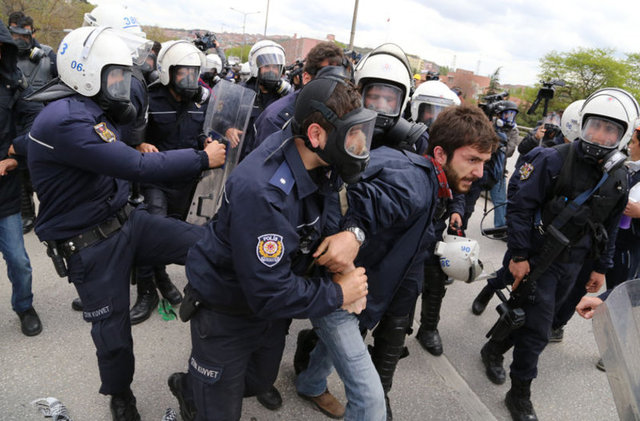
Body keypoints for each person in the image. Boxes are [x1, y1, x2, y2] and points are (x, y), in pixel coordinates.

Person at [21, 26, 226, 421]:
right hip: (91, 247)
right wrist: (203, 158)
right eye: (113, 75)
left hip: (128, 222)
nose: (120, 85)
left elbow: (113, 154)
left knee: (206, 245)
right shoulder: (65, 119)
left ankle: (205, 308)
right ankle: (121, 396)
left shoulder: (87, 109)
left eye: (121, 76)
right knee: (114, 339)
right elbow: (135, 166)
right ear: (86, 73)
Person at [167, 73, 373, 421]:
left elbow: (340, 210)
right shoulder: (264, 191)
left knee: (258, 380)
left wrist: (348, 242)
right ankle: (196, 393)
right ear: (316, 134)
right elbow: (268, 291)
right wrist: (339, 293)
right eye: (351, 135)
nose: (359, 145)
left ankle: (198, 387)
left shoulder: (324, 162)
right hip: (228, 309)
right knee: (218, 410)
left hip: (271, 307)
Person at [471, 87, 636, 421]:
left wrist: (601, 269)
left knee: (539, 322)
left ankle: (493, 349)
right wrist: (518, 255)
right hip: (539, 257)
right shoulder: (553, 159)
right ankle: (519, 395)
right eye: (595, 126)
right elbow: (520, 208)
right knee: (537, 330)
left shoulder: (619, 176)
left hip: (577, 266)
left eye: (610, 130)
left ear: (623, 135)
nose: (600, 135)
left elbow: (609, 227)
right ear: (583, 124)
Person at [130, 39, 210, 325]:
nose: (189, 78)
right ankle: (146, 293)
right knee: (150, 232)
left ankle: (162, 277)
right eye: (182, 72)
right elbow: (133, 134)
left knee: (175, 236)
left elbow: (201, 134)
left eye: (193, 72)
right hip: (156, 180)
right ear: (168, 71)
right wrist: (141, 145)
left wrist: (208, 141)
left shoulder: (202, 100)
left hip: (188, 181)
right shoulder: (150, 97)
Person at [549, 118, 640, 345]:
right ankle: (556, 324)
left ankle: (613, 348)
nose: (630, 145)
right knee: (579, 284)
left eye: (634, 142)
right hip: (602, 240)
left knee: (621, 295)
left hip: (628, 245)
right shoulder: (621, 165)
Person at [0, 20, 44, 337]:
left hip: (5, 192)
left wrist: (14, 154)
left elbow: (34, 120)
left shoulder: (13, 82)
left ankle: (24, 306)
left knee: (19, 261)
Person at [9, 14, 57, 234]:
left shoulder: (47, 55)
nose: (19, 38)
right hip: (13, 123)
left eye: (23, 33)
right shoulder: (5, 58)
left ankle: (53, 213)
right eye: (14, 33)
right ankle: (27, 214)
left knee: (45, 175)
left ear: (32, 32)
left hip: (45, 125)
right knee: (18, 174)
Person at [253, 41, 348, 145]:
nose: (334, 86)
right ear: (306, 78)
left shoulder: (342, 112)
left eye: (339, 79)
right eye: (327, 78)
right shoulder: (275, 120)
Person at [237, 40, 292, 160]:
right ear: (256, 68)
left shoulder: (286, 98)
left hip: (270, 159)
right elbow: (223, 118)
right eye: (266, 66)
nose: (271, 70)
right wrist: (228, 129)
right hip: (241, 158)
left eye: (275, 67)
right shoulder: (241, 92)